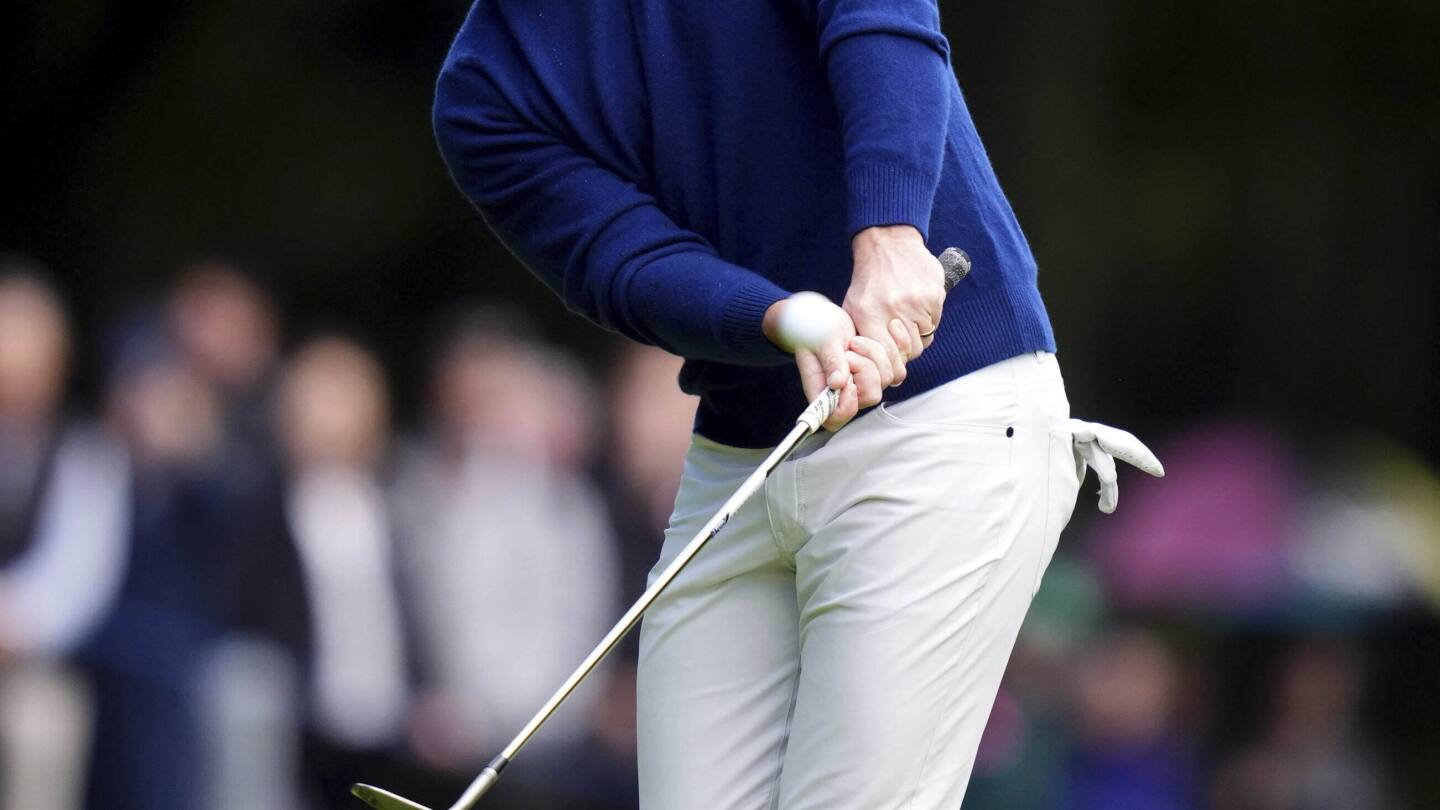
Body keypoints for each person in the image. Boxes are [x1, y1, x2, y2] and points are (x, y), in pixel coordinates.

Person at [433, 2, 1162, 807]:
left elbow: (878, 20)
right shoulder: (483, 95)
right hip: (740, 458)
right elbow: (621, 258)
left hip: (945, 415)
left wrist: (889, 234)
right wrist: (782, 317)